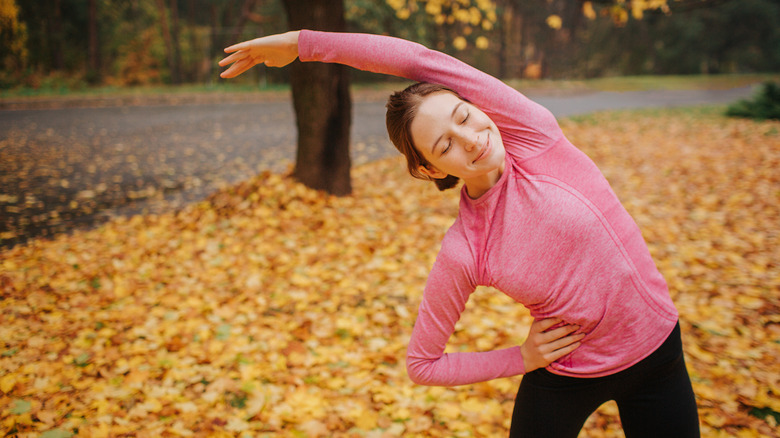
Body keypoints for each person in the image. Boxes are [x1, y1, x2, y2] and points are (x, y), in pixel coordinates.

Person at [219, 30, 700, 437]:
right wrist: (521, 356)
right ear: (429, 170)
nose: (471, 139)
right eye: (445, 144)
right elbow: (422, 364)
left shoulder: (536, 137)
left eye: (464, 116)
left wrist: (303, 43)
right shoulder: (465, 249)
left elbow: (417, 59)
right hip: (566, 374)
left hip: (657, 349)